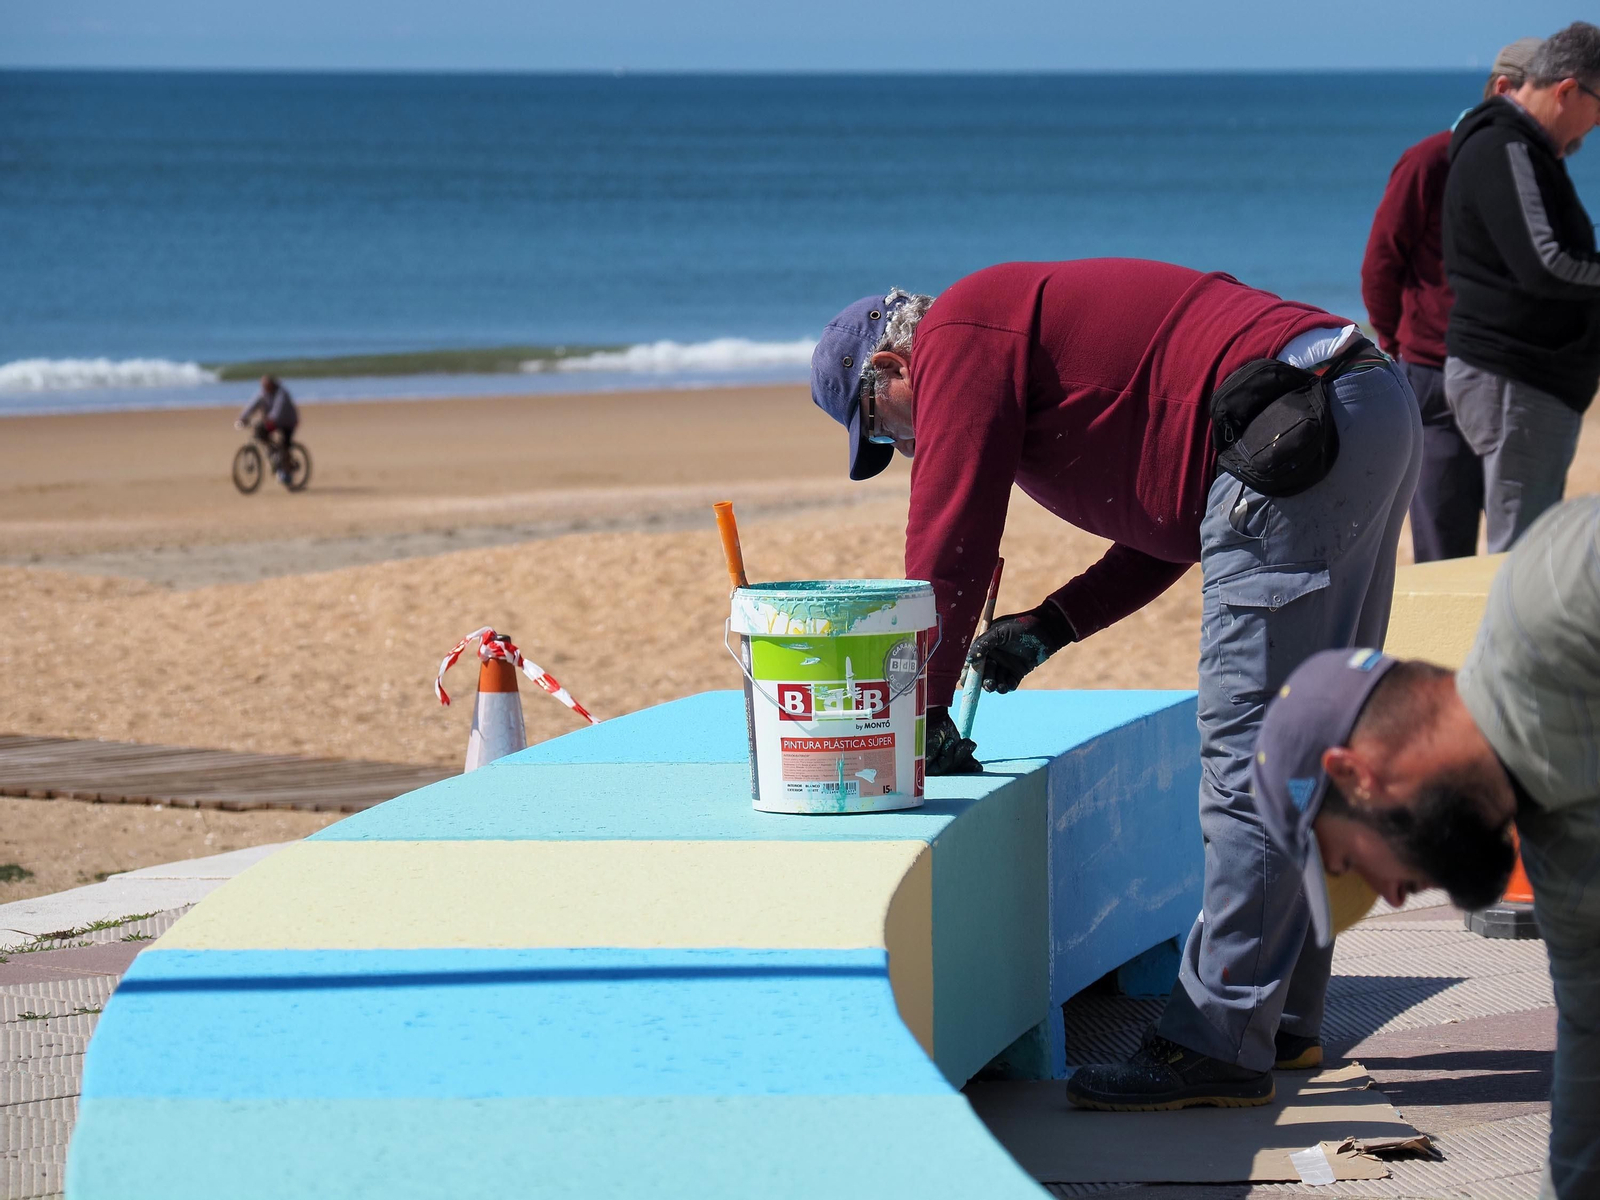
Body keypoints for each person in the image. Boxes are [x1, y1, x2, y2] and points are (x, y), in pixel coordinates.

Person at [809, 259, 1422, 1108]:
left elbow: (951, 538)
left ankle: (1215, 1044)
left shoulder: (959, 335)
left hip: (1299, 420)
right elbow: (1179, 522)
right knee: (1309, 747)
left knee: (1249, 762)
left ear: (891, 367)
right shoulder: (1016, 333)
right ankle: (1277, 1018)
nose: (905, 448)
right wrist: (1052, 623)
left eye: (884, 429)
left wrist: (922, 709)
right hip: (1356, 401)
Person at [1253, 495, 1600, 1199]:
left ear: (1355, 774)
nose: (1392, 895)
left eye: (1350, 863)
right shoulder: (1566, 862)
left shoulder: (1557, 590)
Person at [1362, 39, 1542, 561]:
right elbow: (1381, 262)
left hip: (1515, 377)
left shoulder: (1531, 168)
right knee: (1443, 552)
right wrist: (1399, 344)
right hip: (1435, 376)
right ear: (1505, 89)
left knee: (1522, 554)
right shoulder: (1430, 160)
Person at [1442, 23, 1600, 553]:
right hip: (1516, 377)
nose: (1598, 122)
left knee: (1526, 550)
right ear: (1567, 90)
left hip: (1527, 380)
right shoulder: (1506, 145)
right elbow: (1546, 264)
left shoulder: (1525, 148)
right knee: (1520, 556)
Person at [236, 374, 300, 484]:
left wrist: (270, 419)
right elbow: (252, 405)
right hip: (273, 422)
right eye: (263, 385)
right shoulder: (263, 393)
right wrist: (242, 417)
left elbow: (278, 409)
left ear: (272, 384)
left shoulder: (282, 393)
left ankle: (287, 470)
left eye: (266, 385)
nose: (264, 387)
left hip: (288, 421)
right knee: (260, 433)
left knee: (285, 445)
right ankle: (273, 452)